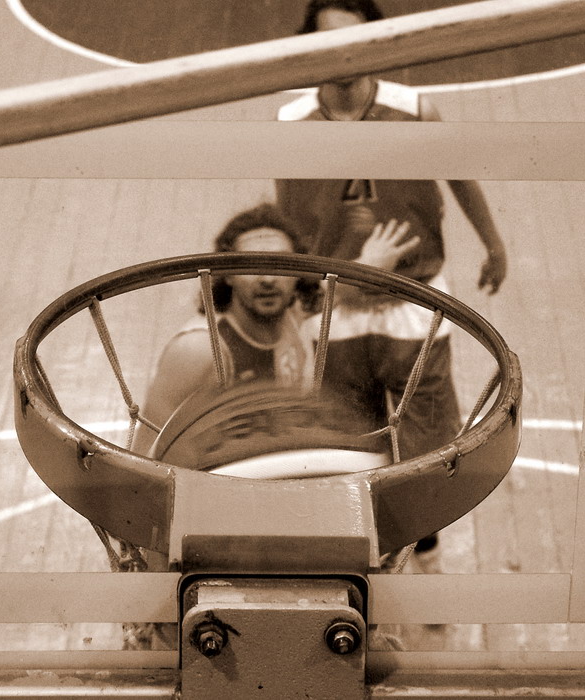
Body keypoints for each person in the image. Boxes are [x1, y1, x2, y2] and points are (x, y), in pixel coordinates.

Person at [276, 0, 509, 572]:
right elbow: (289, 222)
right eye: (331, 42)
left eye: (357, 41)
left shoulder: (415, 110)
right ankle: (368, 558)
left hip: (414, 301)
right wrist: (300, 298)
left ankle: (426, 553)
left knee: (428, 449)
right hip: (336, 309)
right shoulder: (290, 124)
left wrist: (493, 242)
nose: (345, 55)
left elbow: (460, 175)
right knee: (350, 446)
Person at [132, 203, 318, 457]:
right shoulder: (198, 350)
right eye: (251, 265)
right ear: (228, 275)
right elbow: (143, 455)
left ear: (298, 273)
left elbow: (335, 291)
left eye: (280, 264)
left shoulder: (293, 317)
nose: (267, 279)